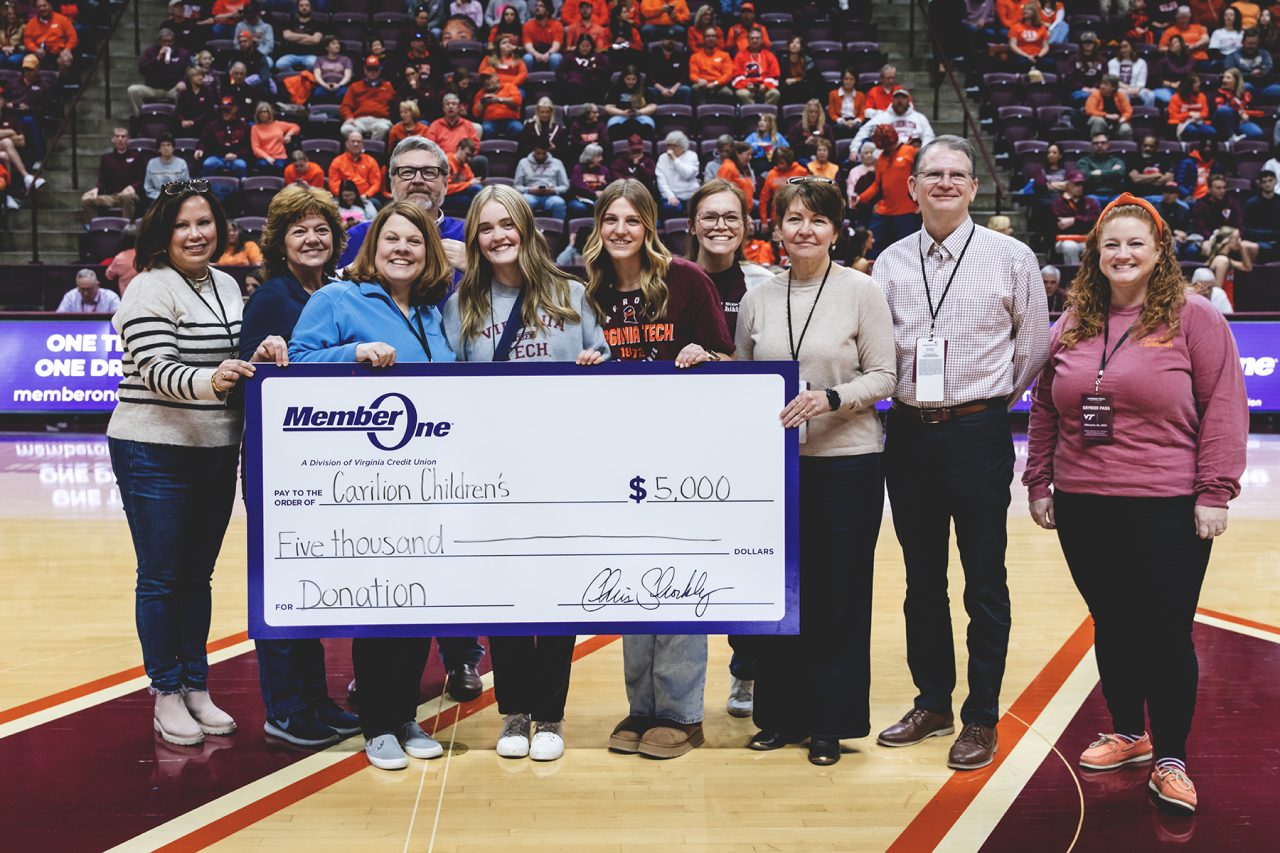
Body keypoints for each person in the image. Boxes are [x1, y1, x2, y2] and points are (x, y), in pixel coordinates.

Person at [1023, 193, 1247, 815]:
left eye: (1135, 244)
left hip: (1167, 503)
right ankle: (1128, 733)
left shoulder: (1195, 317)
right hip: (1084, 503)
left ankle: (1171, 757)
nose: (1122, 254)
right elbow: (1044, 406)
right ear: (1095, 253)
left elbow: (1225, 406)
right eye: (1111, 244)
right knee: (1113, 621)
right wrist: (1039, 481)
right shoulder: (1074, 320)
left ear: (1158, 251)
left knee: (1167, 632)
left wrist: (1215, 491)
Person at [872, 136, 1050, 771]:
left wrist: (990, 402)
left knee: (984, 581)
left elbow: (1034, 347)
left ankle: (981, 716)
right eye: (933, 174)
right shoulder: (889, 261)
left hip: (978, 431)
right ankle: (932, 704)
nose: (945, 183)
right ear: (913, 187)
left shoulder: (1012, 256)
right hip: (909, 434)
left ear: (974, 187)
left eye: (957, 174)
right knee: (921, 581)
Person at [108, 179, 287, 746]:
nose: (194, 234)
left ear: (220, 228)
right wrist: (214, 379)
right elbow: (158, 369)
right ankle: (166, 691)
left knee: (197, 576)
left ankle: (195, 684)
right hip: (153, 449)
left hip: (215, 446)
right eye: (182, 224)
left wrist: (255, 356)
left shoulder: (226, 283)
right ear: (163, 232)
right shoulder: (148, 287)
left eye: (204, 222)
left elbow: (230, 357)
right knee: (162, 577)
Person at [440, 185, 608, 760]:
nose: (498, 237)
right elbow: (447, 388)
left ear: (527, 229)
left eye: (506, 224)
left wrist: (595, 362)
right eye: (486, 228)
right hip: (493, 475)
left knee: (559, 594)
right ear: (474, 239)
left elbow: (606, 362)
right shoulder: (462, 305)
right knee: (505, 591)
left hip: (563, 470)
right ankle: (513, 712)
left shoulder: (571, 294)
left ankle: (551, 715)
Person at [288, 202, 457, 771]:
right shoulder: (337, 298)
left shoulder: (433, 310)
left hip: (429, 480)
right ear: (372, 245)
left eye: (415, 240)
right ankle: (378, 724)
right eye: (392, 239)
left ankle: (406, 715)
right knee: (380, 599)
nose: (403, 249)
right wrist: (353, 354)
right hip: (365, 481)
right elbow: (297, 361)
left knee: (419, 602)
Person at [736, 175, 896, 766]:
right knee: (782, 595)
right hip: (777, 470)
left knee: (838, 595)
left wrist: (830, 398)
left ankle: (831, 721)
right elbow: (744, 378)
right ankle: (779, 715)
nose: (805, 230)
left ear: (835, 230)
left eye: (818, 219)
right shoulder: (758, 297)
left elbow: (885, 375)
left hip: (847, 464)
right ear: (777, 228)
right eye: (794, 218)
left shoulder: (861, 291)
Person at [585, 179, 734, 758]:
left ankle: (681, 712)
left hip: (682, 451)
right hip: (616, 452)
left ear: (649, 226)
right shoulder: (590, 287)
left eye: (632, 220)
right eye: (611, 220)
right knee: (631, 581)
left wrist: (703, 356)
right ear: (598, 226)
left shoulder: (686, 279)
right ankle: (642, 706)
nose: (620, 230)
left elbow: (727, 358)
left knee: (677, 577)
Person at [240, 184, 361, 747]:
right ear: (280, 242)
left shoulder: (337, 291)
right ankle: (285, 708)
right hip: (278, 462)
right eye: (299, 231)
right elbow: (248, 373)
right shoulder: (272, 297)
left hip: (323, 461)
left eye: (321, 230)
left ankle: (315, 699)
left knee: (310, 585)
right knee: (282, 583)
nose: (312, 239)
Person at [852, 125, 919, 259]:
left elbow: (921, 178)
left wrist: (921, 204)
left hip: (906, 209)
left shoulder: (910, 152)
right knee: (870, 242)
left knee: (907, 249)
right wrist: (861, 198)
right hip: (885, 209)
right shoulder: (882, 158)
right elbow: (877, 185)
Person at [82, 128, 143, 220]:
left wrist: (132, 187)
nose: (120, 139)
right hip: (111, 197)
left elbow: (141, 180)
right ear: (113, 139)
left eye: (123, 136)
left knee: (126, 196)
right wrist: (96, 189)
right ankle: (94, 225)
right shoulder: (106, 158)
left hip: (130, 194)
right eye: (117, 136)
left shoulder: (136, 157)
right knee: (86, 199)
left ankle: (128, 226)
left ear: (128, 139)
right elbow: (102, 180)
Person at [128, 29, 190, 116]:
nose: (167, 44)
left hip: (174, 89)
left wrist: (183, 81)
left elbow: (189, 71)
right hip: (153, 89)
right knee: (132, 90)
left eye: (170, 41)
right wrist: (157, 59)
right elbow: (142, 70)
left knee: (185, 90)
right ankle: (142, 117)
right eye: (164, 41)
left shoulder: (183, 53)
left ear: (173, 41)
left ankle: (178, 119)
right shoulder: (150, 51)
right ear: (159, 41)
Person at [852, 88, 935, 150]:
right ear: (892, 100)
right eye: (897, 98)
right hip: (889, 153)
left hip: (913, 153)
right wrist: (854, 149)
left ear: (908, 100)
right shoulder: (882, 117)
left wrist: (922, 152)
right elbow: (864, 131)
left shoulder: (920, 117)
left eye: (903, 98)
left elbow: (929, 136)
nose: (900, 101)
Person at [340, 56, 397, 141]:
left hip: (381, 120)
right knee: (346, 129)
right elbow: (345, 106)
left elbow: (395, 105)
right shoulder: (355, 86)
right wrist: (349, 117)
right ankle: (359, 146)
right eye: (370, 69)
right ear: (365, 70)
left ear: (379, 70)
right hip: (360, 120)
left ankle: (371, 147)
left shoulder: (388, 86)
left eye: (375, 69)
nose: (372, 72)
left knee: (383, 128)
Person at [198, 97, 251, 182]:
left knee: (241, 165)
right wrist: (200, 149)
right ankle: (207, 188)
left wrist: (237, 155)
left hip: (236, 157)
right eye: (223, 111)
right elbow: (203, 141)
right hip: (217, 156)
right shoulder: (212, 126)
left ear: (234, 110)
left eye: (228, 110)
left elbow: (248, 146)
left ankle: (242, 188)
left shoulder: (244, 127)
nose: (225, 113)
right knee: (208, 164)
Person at [757, 147, 808, 232]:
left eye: (783, 158)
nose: (780, 161)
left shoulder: (801, 171)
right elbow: (763, 200)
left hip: (799, 214)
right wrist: (764, 221)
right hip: (777, 218)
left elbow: (810, 193)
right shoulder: (771, 174)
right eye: (778, 159)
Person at [514, 141, 569, 218]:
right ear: (534, 151)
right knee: (524, 201)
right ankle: (523, 225)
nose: (541, 156)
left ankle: (558, 225)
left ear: (547, 152)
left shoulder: (557, 163)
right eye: (538, 153)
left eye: (544, 153)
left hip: (551, 195)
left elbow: (565, 186)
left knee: (559, 203)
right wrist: (529, 190)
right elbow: (517, 186)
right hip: (530, 194)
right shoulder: (523, 162)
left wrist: (553, 190)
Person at [328, 131, 383, 203]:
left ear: (363, 145)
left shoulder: (371, 161)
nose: (356, 144)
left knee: (376, 203)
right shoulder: (337, 161)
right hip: (343, 198)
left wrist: (366, 195)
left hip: (365, 198)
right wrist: (345, 196)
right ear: (347, 144)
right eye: (353, 141)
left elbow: (376, 183)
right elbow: (333, 184)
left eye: (359, 142)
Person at [654, 130, 700, 219]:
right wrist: (670, 196)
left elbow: (688, 174)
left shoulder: (692, 156)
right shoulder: (662, 158)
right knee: (671, 207)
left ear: (682, 146)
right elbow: (661, 181)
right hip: (673, 195)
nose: (670, 148)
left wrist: (674, 159)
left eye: (674, 145)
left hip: (691, 194)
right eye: (668, 145)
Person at [23, 0, 75, 75]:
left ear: (50, 6)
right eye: (39, 7)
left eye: (44, 6)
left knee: (66, 59)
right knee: (28, 60)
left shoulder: (62, 19)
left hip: (59, 52)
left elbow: (72, 37)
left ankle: (62, 81)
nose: (42, 8)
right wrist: (35, 49)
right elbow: (27, 40)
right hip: (40, 53)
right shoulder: (31, 23)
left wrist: (67, 49)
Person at [731, 28, 780, 105]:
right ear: (747, 39)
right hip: (747, 88)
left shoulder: (769, 56)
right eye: (752, 38)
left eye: (757, 38)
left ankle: (765, 112)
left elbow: (775, 76)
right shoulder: (739, 56)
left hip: (765, 88)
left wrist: (765, 85)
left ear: (762, 40)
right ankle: (753, 111)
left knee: (775, 93)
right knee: (742, 94)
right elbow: (736, 76)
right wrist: (746, 84)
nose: (754, 40)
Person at [689, 26, 735, 104]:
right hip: (702, 85)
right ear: (703, 39)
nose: (711, 38)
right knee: (695, 88)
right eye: (708, 36)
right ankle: (702, 110)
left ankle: (720, 111)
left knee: (727, 93)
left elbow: (728, 74)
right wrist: (698, 80)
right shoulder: (695, 56)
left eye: (713, 36)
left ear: (716, 39)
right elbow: (692, 74)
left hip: (718, 85)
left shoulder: (724, 55)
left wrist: (716, 83)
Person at [250, 102, 300, 172]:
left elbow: (296, 127)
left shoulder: (278, 125)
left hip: (279, 156)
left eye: (265, 112)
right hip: (264, 157)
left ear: (269, 113)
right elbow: (255, 148)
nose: (262, 114)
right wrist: (267, 157)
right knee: (263, 165)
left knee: (279, 166)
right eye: (260, 112)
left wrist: (288, 135)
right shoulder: (255, 128)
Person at [474, 71, 524, 139]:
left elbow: (517, 101)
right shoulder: (480, 93)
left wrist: (499, 100)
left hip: (510, 120)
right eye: (483, 80)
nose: (486, 81)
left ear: (496, 77)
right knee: (486, 129)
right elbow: (476, 113)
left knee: (518, 128)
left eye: (488, 78)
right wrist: (482, 103)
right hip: (490, 122)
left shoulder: (509, 86)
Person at [1085, 76, 1134, 140]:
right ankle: (1097, 144)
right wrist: (1107, 115)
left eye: (1105, 84)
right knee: (1098, 121)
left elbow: (1128, 111)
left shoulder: (1120, 95)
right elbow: (1089, 110)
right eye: (1101, 83)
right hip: (1100, 119)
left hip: (1117, 122)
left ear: (1113, 87)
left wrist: (1122, 119)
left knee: (1125, 129)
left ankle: (1127, 145)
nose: (1102, 86)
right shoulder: (1095, 94)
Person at [568, 142, 609, 219]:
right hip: (579, 199)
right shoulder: (578, 169)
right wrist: (594, 193)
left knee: (601, 206)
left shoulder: (604, 170)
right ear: (590, 157)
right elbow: (577, 187)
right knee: (579, 207)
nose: (601, 159)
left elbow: (610, 186)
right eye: (598, 156)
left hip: (598, 199)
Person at [145, 134, 191, 202]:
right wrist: (160, 197)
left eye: (168, 145)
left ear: (173, 148)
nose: (166, 148)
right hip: (157, 199)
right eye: (163, 145)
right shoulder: (152, 163)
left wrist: (175, 197)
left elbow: (186, 185)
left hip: (176, 199)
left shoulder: (181, 163)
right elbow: (148, 187)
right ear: (159, 149)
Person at [522, 0, 564, 71]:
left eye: (541, 6)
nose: (537, 8)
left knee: (555, 58)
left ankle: (555, 78)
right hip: (534, 53)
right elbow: (528, 45)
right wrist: (536, 54)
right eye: (536, 5)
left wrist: (548, 55)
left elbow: (556, 45)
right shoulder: (527, 25)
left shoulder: (557, 25)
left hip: (551, 52)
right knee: (527, 58)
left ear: (548, 11)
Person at [828, 68, 865, 139]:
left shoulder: (861, 95)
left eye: (851, 79)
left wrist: (854, 122)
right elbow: (832, 113)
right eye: (846, 79)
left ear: (855, 81)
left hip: (854, 121)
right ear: (842, 80)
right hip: (840, 121)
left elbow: (862, 114)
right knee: (837, 128)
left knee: (860, 128)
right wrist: (843, 122)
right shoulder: (833, 94)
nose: (848, 82)